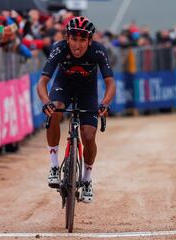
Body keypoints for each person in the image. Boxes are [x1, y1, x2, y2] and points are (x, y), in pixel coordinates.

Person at [36, 16, 116, 203]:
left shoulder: (98, 50)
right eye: (73, 39)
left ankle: (87, 179)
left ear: (90, 41)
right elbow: (42, 82)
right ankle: (54, 166)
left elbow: (110, 83)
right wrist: (46, 101)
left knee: (88, 136)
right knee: (54, 110)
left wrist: (105, 103)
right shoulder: (59, 48)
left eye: (82, 40)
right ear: (67, 38)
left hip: (87, 93)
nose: (77, 45)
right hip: (63, 87)